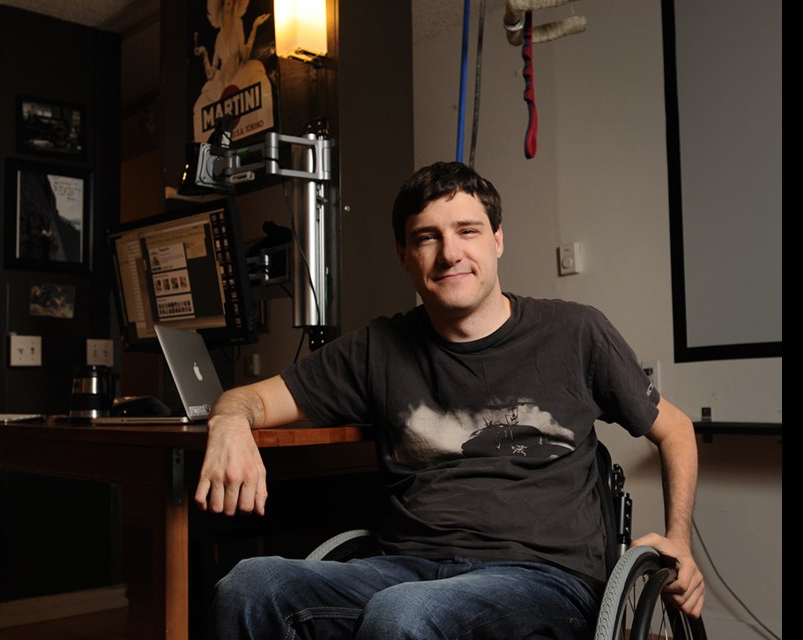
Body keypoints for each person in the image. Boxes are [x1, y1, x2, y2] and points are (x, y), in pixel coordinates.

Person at [194, 161, 705, 639]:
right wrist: (228, 426)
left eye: (467, 231)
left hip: (543, 579)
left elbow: (675, 429)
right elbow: (246, 400)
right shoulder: (377, 349)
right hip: (401, 567)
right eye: (427, 237)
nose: (450, 253)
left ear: (497, 240)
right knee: (249, 585)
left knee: (405, 613)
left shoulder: (575, 332)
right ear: (404, 255)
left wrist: (678, 539)